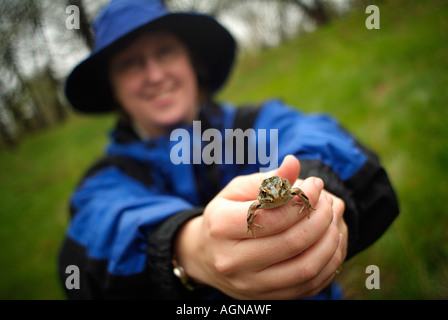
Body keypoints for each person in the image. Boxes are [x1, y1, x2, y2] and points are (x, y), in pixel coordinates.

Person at [59, 0, 399, 300]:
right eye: (130, 63)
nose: (155, 74)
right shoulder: (107, 177)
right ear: (114, 88)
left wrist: (317, 190)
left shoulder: (252, 123)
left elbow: (321, 138)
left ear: (192, 62)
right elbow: (95, 235)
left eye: (165, 51)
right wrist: (187, 248)